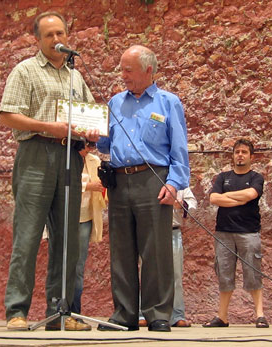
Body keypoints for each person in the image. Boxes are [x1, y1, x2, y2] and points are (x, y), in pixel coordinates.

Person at [0, 11, 99, 331]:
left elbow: (90, 116)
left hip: (70, 158)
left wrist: (92, 132)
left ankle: (61, 312)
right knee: (28, 236)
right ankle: (17, 311)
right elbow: (8, 116)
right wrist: (48, 127)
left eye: (61, 33)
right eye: (49, 35)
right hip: (35, 155)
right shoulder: (25, 71)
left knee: (67, 240)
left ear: (68, 36)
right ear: (38, 40)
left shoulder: (76, 77)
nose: (57, 40)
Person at [96, 45, 190, 332]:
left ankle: (158, 313)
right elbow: (106, 144)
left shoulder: (168, 102)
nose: (122, 75)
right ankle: (124, 314)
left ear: (148, 70)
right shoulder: (114, 102)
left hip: (154, 179)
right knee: (121, 250)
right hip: (119, 180)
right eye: (121, 68)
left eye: (128, 70)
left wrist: (174, 183)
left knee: (156, 252)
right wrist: (95, 137)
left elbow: (180, 149)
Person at [204, 139, 269, 328]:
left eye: (244, 152)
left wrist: (229, 198)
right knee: (224, 274)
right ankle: (222, 317)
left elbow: (251, 195)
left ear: (251, 156)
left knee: (253, 273)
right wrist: (239, 199)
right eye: (237, 152)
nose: (240, 155)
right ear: (233, 156)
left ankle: (260, 315)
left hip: (248, 233)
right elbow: (214, 198)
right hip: (223, 233)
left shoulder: (257, 177)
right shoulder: (223, 177)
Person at [138, 188, 198, 328]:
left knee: (175, 275)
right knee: (146, 273)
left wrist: (182, 204)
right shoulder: (148, 181)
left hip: (172, 232)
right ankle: (143, 314)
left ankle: (176, 315)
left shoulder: (179, 184)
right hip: (149, 232)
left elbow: (193, 203)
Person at [71, 141, 106, 317]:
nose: (88, 149)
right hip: (66, 216)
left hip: (86, 217)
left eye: (91, 145)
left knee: (79, 266)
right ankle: (58, 310)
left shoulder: (94, 161)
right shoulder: (66, 158)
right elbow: (62, 184)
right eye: (85, 145)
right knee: (61, 265)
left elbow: (101, 185)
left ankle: (75, 311)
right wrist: (86, 186)